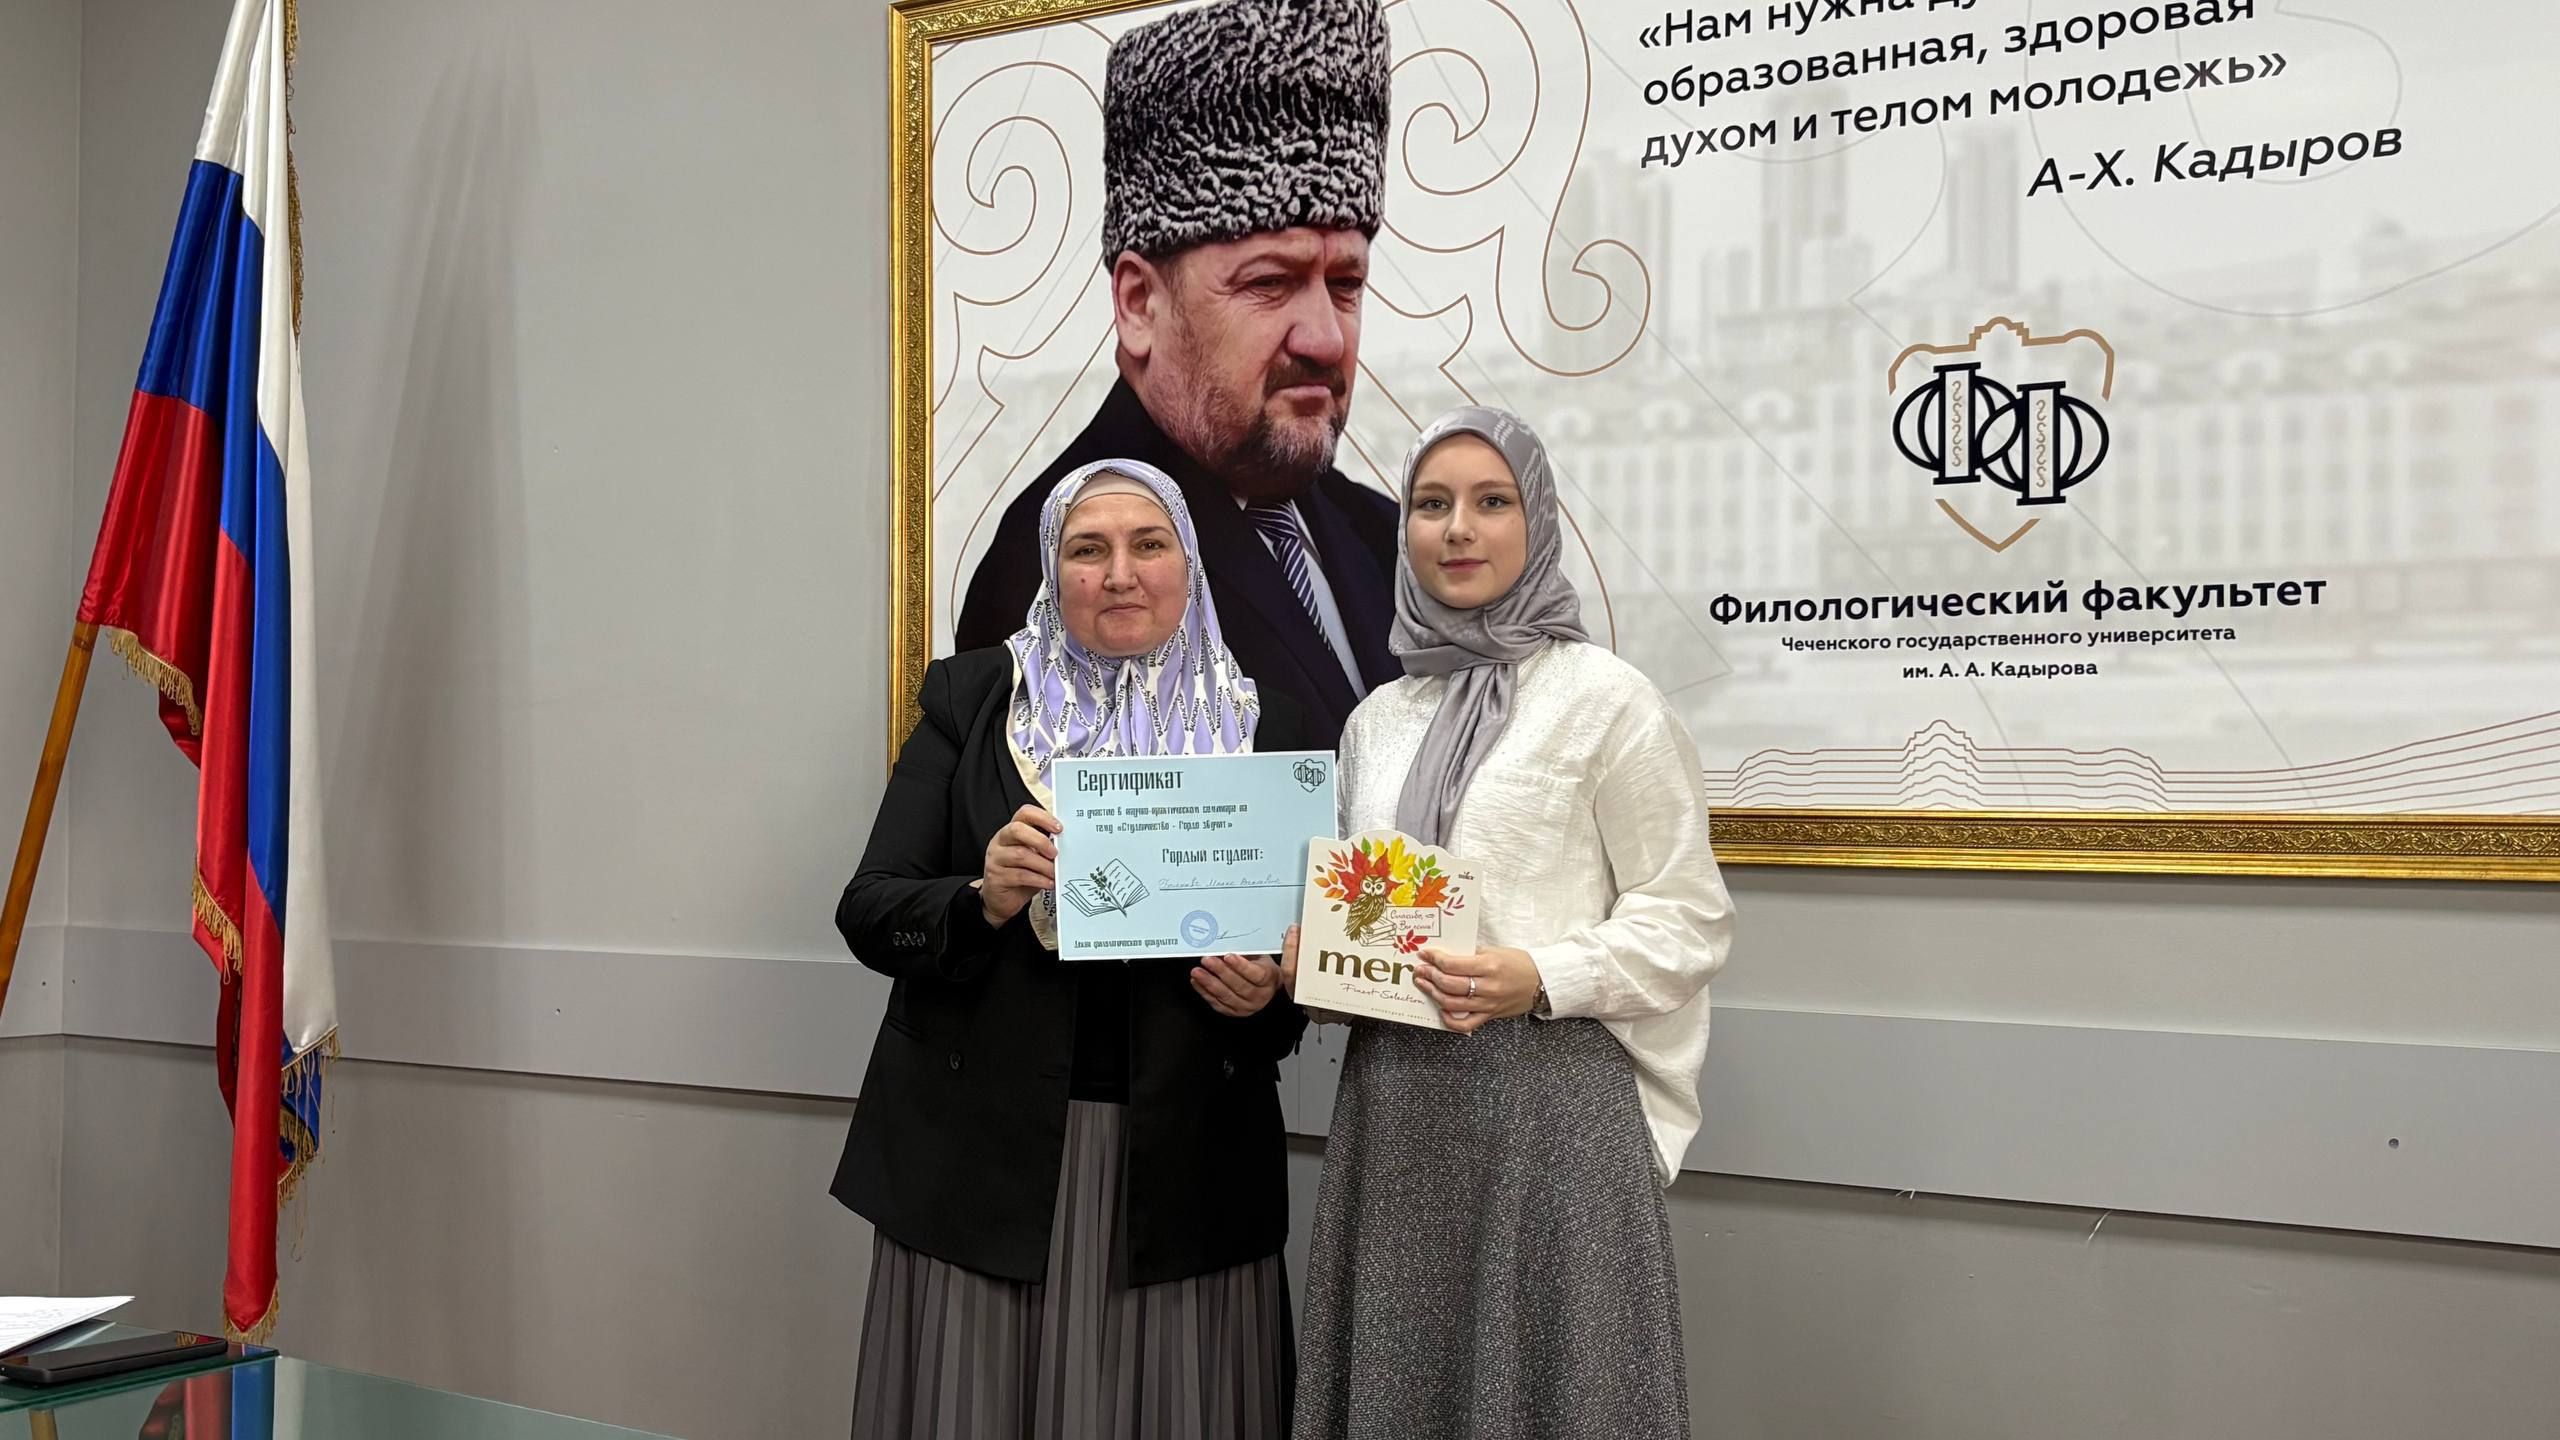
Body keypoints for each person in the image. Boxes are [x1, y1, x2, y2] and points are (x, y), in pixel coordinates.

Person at [835, 460, 1311, 1439]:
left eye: (1149, 545)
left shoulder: (1268, 724)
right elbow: (872, 909)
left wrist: (1268, 993)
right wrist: (980, 897)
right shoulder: (974, 700)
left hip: (1184, 1168)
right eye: (1088, 549)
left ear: (1189, 562)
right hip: (986, 1165)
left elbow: (1297, 973)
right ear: (1054, 572)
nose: (1120, 573)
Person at [1285, 407, 1735, 1439]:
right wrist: (1315, 959)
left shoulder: (1607, 702)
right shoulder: (1376, 722)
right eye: (1431, 504)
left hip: (1552, 1110)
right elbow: (1367, 906)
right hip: (1396, 1109)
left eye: (1492, 502)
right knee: (1402, 1393)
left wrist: (1542, 974)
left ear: (1537, 520)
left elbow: (1689, 919)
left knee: (1554, 1397)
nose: (1458, 529)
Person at [955, 0, 1402, 747]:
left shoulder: (1388, 538)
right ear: (1139, 304)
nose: (1326, 337)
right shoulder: (1056, 569)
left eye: (1346, 283)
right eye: (1269, 283)